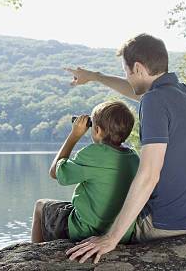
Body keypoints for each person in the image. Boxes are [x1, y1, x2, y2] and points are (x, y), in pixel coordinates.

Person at [64, 33, 186, 264]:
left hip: (167, 225)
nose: (126, 77)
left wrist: (111, 238)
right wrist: (95, 77)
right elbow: (139, 92)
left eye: (126, 71)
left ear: (138, 68)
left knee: (67, 213)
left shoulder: (154, 102)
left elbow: (149, 174)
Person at [30, 100, 140, 244]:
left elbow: (54, 172)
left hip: (85, 230)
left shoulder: (92, 154)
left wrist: (74, 136)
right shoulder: (134, 157)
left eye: (91, 124)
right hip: (122, 234)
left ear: (97, 130)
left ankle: (36, 255)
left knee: (40, 205)